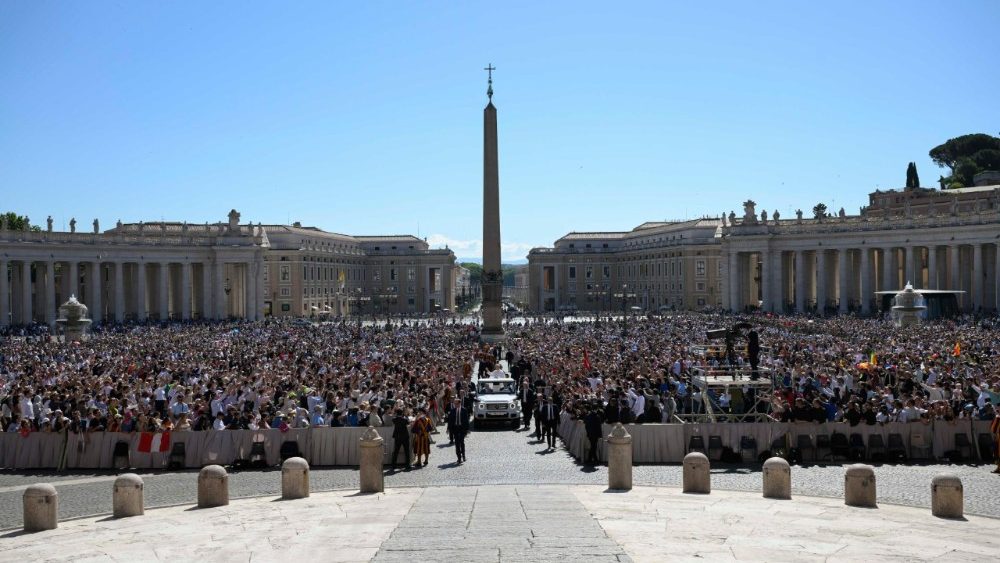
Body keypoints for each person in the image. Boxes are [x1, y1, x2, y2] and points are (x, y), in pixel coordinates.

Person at [446, 397, 469, 464]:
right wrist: (448, 429)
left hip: (462, 428)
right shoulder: (453, 410)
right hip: (455, 428)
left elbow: (466, 420)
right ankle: (459, 458)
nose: (455, 404)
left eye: (456, 403)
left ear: (459, 403)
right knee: (457, 444)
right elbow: (450, 421)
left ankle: (463, 455)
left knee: (461, 442)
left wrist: (467, 429)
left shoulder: (464, 410)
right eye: (454, 403)